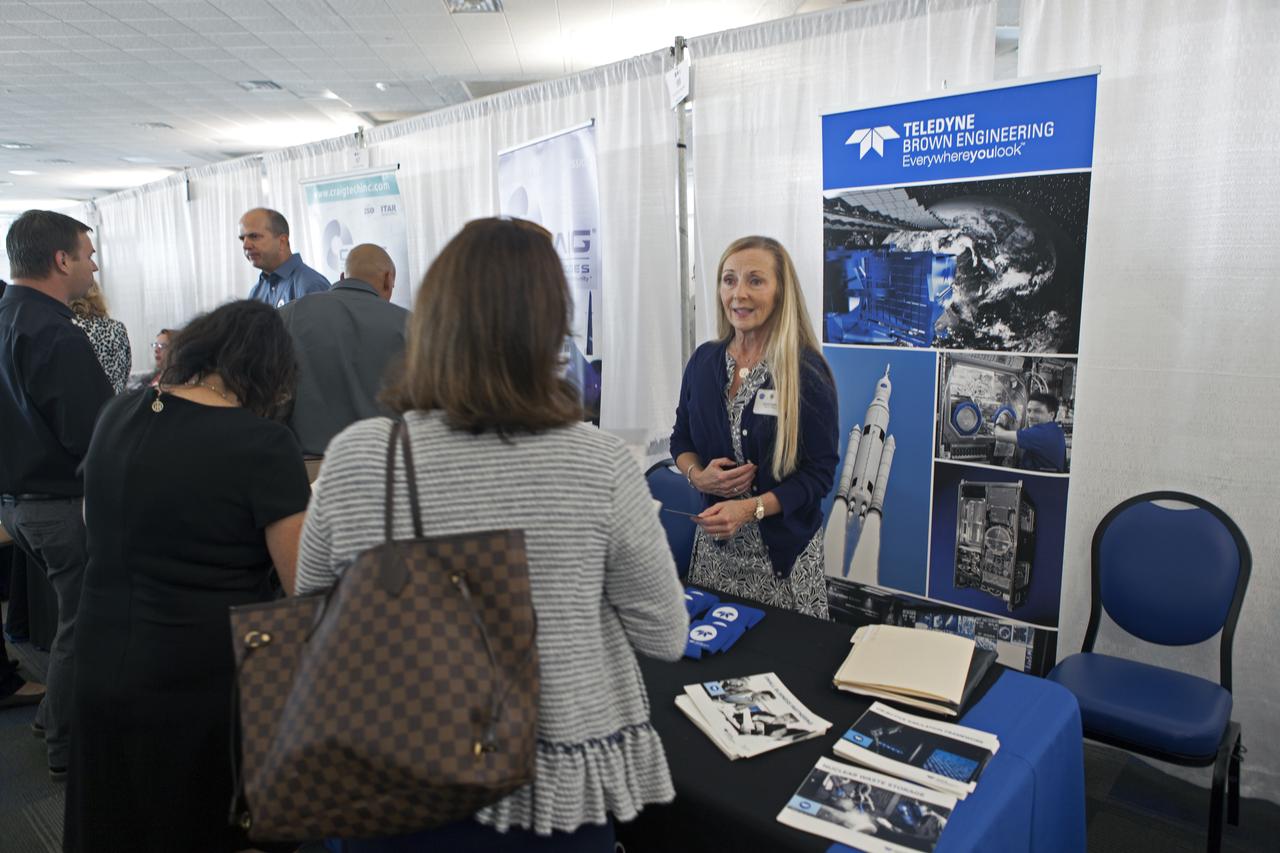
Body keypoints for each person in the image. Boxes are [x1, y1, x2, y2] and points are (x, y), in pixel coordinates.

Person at [294, 217, 688, 852]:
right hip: (552, 789)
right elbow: (664, 635)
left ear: (429, 321)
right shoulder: (599, 462)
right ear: (548, 330)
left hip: (395, 777)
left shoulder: (362, 455)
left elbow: (311, 606)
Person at [64, 300, 310, 853]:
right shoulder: (262, 444)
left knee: (115, 817)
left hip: (103, 650)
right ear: (270, 370)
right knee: (195, 824)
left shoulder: (118, 413)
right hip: (204, 677)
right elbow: (303, 585)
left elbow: (93, 524)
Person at [670, 235, 839, 618]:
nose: (738, 293)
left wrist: (750, 509)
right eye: (729, 280)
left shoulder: (806, 373)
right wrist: (697, 476)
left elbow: (818, 476)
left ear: (781, 292)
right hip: (714, 561)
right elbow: (681, 438)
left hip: (782, 570)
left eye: (755, 281)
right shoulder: (703, 362)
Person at [0, 210, 113, 779]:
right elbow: (93, 433)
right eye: (88, 253)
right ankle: (67, 750)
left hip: (17, 503)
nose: (94, 263)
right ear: (61, 260)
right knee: (83, 624)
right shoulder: (55, 332)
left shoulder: (7, 315)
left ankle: (50, 715)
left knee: (71, 621)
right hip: (59, 504)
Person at [279, 243, 409, 456]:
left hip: (306, 468)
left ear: (342, 277)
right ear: (388, 279)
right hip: (385, 463)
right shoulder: (409, 324)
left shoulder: (288, 315)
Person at [239, 207, 330, 307]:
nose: (245, 245)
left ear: (282, 241)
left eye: (254, 236)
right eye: (242, 239)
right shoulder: (256, 292)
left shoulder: (311, 285)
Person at [70, 282, 132, 394]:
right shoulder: (117, 327)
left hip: (83, 403)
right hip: (115, 405)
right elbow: (126, 369)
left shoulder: (69, 328)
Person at [993, 392, 1066, 473]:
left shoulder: (1041, 433)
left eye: (1037, 411)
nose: (1030, 416)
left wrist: (1001, 419)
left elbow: (999, 435)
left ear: (1051, 415)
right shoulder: (1056, 430)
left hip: (1038, 484)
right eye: (1029, 411)